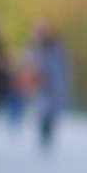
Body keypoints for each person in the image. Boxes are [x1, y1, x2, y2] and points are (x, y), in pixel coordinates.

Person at [27, 20, 71, 149]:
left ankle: (48, 132)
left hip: (54, 83)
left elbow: (63, 64)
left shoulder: (57, 46)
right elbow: (28, 63)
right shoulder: (33, 47)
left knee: (52, 111)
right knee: (42, 110)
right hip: (39, 83)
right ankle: (43, 134)